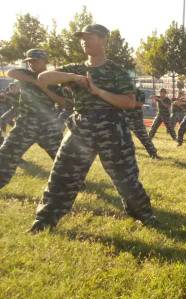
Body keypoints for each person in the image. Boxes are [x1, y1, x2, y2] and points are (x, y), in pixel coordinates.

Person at [30, 24, 156, 233]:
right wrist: (74, 77)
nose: (84, 41)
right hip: (81, 128)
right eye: (82, 38)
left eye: (90, 37)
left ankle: (145, 215)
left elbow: (129, 102)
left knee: (126, 178)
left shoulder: (116, 71)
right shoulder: (76, 68)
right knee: (62, 175)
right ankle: (43, 221)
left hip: (112, 128)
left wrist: (98, 91)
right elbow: (42, 78)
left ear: (103, 40)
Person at [0, 49, 65, 190]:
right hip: (25, 124)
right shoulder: (26, 75)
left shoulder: (53, 78)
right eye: (29, 61)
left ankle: (74, 184)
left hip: (48, 126)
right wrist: (35, 81)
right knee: (6, 154)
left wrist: (45, 88)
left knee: (62, 158)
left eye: (35, 61)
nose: (31, 64)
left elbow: (62, 102)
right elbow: (11, 72)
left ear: (45, 61)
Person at [124, 88, 158, 158]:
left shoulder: (139, 93)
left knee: (144, 137)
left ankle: (153, 153)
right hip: (124, 118)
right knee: (121, 137)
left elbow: (140, 104)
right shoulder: (122, 91)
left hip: (136, 119)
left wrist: (126, 102)